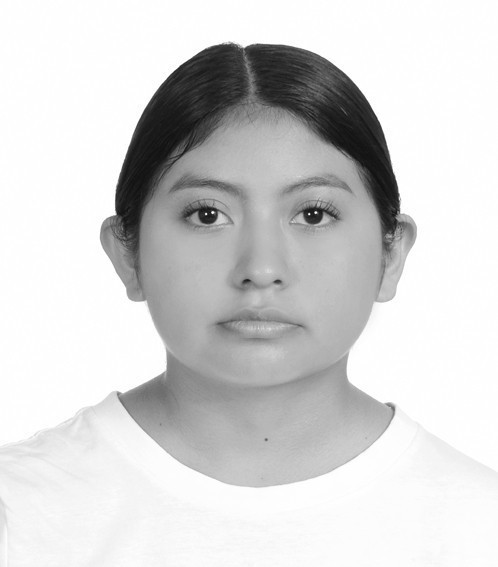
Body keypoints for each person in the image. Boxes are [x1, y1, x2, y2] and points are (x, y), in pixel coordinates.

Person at [1, 42, 497, 566]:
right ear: (127, 253)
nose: (260, 268)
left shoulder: (480, 526)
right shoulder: (21, 512)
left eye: (313, 214)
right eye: (207, 215)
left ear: (390, 254)